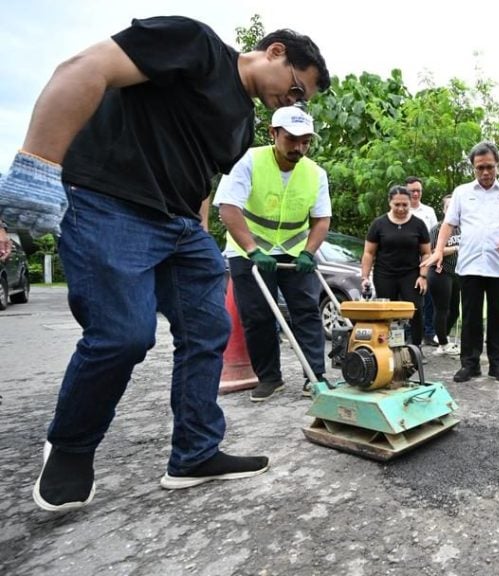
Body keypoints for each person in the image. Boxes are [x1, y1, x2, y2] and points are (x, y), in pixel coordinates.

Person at [0, 16, 329, 512]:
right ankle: (70, 446)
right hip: (108, 202)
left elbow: (199, 179)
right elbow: (84, 68)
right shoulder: (196, 45)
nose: (294, 99)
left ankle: (195, 453)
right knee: (124, 334)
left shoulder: (242, 122)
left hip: (179, 224)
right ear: (276, 52)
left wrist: (197, 234)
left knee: (207, 329)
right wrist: (39, 163)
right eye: (298, 88)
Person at [214, 105, 331, 402]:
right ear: (273, 133)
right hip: (248, 252)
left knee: (306, 311)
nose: (298, 147)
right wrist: (252, 250)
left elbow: (321, 220)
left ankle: (315, 376)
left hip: (295, 252)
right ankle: (269, 378)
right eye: (291, 139)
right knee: (257, 316)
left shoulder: (315, 173)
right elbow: (228, 208)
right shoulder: (247, 161)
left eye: (305, 141)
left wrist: (309, 253)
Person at [427, 142, 499, 384]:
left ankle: (498, 364)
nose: (485, 172)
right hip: (469, 264)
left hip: (498, 265)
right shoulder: (462, 193)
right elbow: (448, 224)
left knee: (498, 316)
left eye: (489, 167)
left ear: (497, 165)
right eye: (480, 168)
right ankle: (469, 364)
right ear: (473, 168)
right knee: (470, 316)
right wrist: (438, 251)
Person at [361, 185, 431, 345]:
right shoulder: (379, 224)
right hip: (384, 274)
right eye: (397, 204)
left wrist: (423, 276)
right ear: (389, 203)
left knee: (415, 309)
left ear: (410, 203)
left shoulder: (418, 224)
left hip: (411, 274)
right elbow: (369, 253)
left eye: (405, 205)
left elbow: (426, 253)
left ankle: (415, 347)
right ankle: (387, 346)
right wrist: (364, 277)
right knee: (386, 311)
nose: (401, 208)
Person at [406, 176, 439, 345]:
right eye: (412, 191)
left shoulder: (428, 211)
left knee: (428, 299)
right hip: (407, 261)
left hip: (427, 259)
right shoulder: (402, 210)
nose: (416, 194)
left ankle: (429, 332)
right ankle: (408, 334)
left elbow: (435, 236)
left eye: (418, 190)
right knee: (409, 299)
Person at [428, 194, 462, 356]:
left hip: (457, 272)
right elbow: (434, 251)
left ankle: (442, 336)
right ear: (443, 209)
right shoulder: (437, 228)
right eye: (448, 207)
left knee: (455, 310)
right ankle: (442, 343)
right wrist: (456, 248)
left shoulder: (462, 228)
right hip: (440, 271)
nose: (451, 210)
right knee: (442, 309)